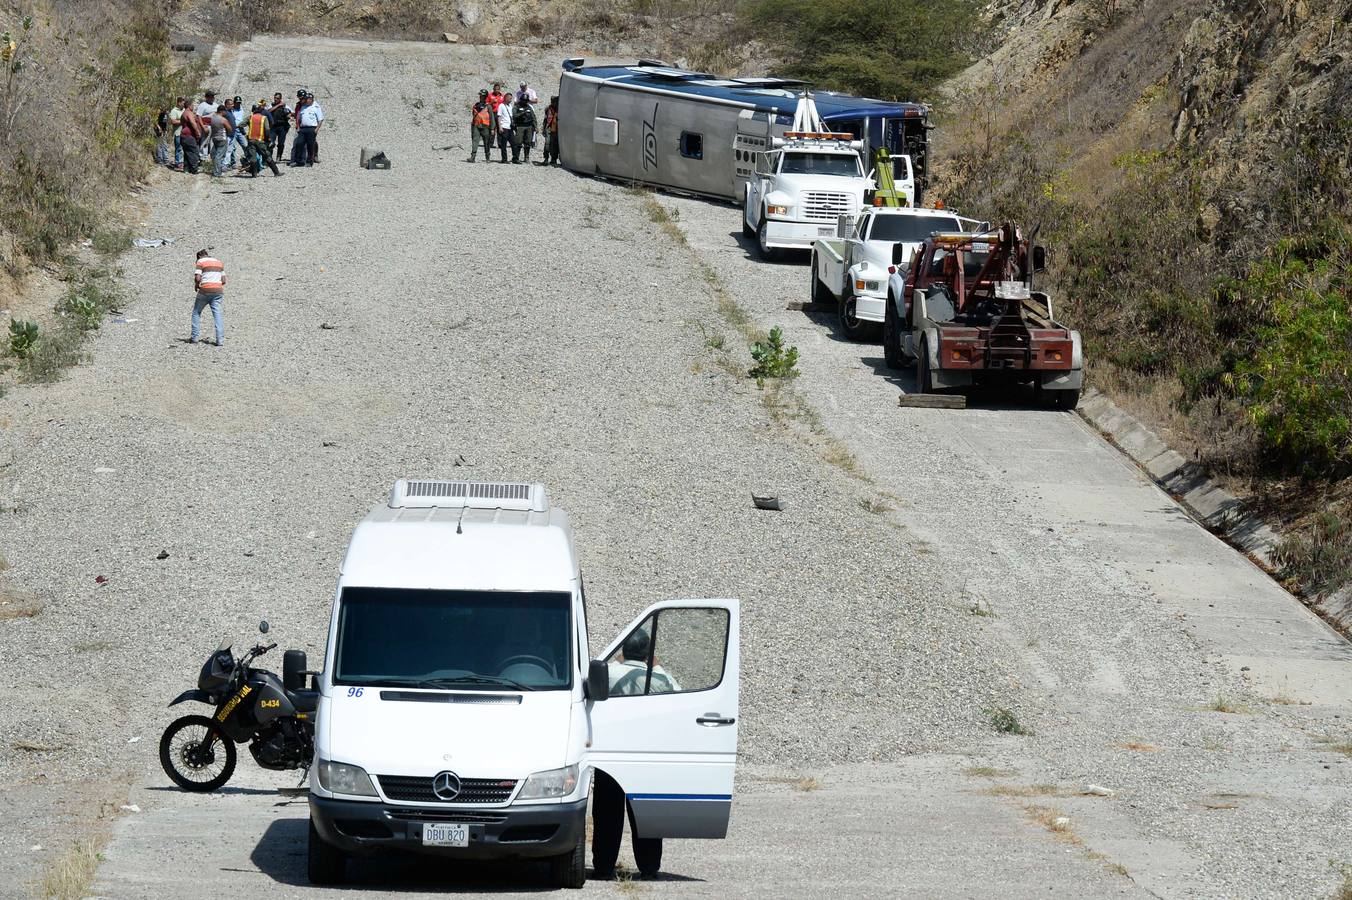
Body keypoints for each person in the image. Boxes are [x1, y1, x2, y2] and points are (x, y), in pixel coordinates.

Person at [607, 628, 680, 696]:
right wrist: (657, 667)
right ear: (648, 655)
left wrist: (616, 663)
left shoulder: (607, 673)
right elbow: (677, 692)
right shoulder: (659, 681)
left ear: (623, 651)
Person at [190, 249, 225, 346]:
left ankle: (194, 338)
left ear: (199, 256)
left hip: (205, 290)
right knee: (217, 315)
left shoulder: (200, 261)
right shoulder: (219, 262)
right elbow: (224, 280)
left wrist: (196, 285)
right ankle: (220, 340)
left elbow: (198, 278)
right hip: (218, 291)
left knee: (196, 312)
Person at [245, 103, 281, 176]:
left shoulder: (250, 117)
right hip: (260, 140)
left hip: (251, 140)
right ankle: (276, 173)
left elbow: (240, 125)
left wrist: (244, 133)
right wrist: (268, 138)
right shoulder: (263, 118)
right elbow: (267, 129)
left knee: (253, 157)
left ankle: (254, 174)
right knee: (267, 155)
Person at [295, 91, 322, 166]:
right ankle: (299, 161)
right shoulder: (303, 107)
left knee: (310, 145)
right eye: (306, 99)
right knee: (299, 143)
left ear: (312, 100)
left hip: (311, 128)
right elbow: (299, 117)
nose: (307, 100)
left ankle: (309, 161)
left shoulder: (316, 107)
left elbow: (320, 119)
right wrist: (298, 127)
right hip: (302, 128)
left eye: (308, 99)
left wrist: (316, 129)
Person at [179, 102, 205, 174]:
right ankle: (194, 169)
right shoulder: (188, 113)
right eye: (192, 105)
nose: (193, 107)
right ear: (189, 106)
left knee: (187, 152)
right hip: (189, 136)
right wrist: (197, 132)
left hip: (184, 135)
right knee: (194, 152)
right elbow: (192, 123)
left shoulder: (183, 113)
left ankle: (186, 169)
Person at [469, 89, 493, 162]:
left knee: (486, 142)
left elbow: (492, 118)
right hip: (476, 125)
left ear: (485, 96)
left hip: (485, 126)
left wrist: (492, 128)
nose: (480, 97)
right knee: (475, 140)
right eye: (480, 95)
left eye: (482, 95)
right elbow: (473, 114)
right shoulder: (476, 105)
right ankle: (473, 157)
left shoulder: (488, 106)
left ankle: (487, 157)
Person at [511, 94, 536, 163]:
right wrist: (522, 113)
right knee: (518, 142)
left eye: (526, 101)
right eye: (524, 100)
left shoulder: (529, 107)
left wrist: (535, 126)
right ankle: (516, 157)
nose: (525, 102)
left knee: (528, 142)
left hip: (529, 126)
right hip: (520, 126)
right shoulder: (516, 107)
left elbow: (533, 117)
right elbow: (514, 115)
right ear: (521, 100)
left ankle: (526, 157)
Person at [210, 104, 233, 177]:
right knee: (219, 156)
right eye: (225, 111)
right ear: (222, 111)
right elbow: (230, 129)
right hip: (222, 139)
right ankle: (217, 173)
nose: (226, 113)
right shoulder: (223, 119)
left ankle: (215, 170)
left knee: (214, 154)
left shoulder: (213, 118)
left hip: (215, 138)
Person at [268, 92, 290, 161]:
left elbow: (291, 113)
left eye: (277, 98)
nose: (275, 99)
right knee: (271, 142)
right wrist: (278, 105)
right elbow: (268, 111)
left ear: (280, 99)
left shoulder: (285, 106)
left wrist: (288, 115)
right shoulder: (271, 105)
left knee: (281, 143)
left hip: (282, 127)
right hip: (273, 126)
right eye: (275, 98)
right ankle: (269, 157)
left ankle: (279, 156)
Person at [540, 96, 560, 166]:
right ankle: (546, 158)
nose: (553, 103)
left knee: (555, 145)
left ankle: (554, 159)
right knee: (547, 144)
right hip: (549, 128)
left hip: (557, 130)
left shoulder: (560, 109)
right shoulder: (548, 109)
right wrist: (544, 128)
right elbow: (545, 119)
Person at [495, 93, 513, 163]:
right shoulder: (501, 106)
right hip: (504, 127)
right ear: (506, 98)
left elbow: (511, 117)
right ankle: (504, 159)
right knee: (504, 145)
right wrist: (500, 127)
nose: (511, 100)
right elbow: (498, 117)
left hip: (510, 128)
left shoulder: (510, 106)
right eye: (510, 98)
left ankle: (515, 158)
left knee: (514, 143)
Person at [168, 97, 185, 168]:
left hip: (184, 133)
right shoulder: (174, 111)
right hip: (177, 132)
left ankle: (182, 161)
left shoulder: (184, 110)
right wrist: (182, 121)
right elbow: (173, 121)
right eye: (183, 103)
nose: (184, 104)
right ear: (179, 102)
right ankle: (178, 162)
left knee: (183, 148)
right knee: (178, 148)